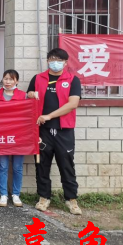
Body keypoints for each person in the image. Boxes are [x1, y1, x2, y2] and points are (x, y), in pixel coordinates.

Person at [27, 48, 82, 216]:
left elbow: (73, 104)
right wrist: (30, 94)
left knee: (66, 165)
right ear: (47, 61)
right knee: (41, 164)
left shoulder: (72, 80)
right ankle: (44, 197)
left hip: (64, 130)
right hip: (42, 130)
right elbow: (29, 95)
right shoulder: (38, 78)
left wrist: (49, 116)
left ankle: (71, 199)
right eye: (52, 59)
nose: (55, 62)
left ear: (65, 63)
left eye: (59, 60)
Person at [0, 69, 27, 208]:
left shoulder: (23, 95)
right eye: (5, 78)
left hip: (19, 136)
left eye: (11, 79)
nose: (7, 82)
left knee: (17, 167)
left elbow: (28, 115)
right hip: (2, 135)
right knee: (3, 166)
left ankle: (16, 194)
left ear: (16, 81)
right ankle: (3, 194)